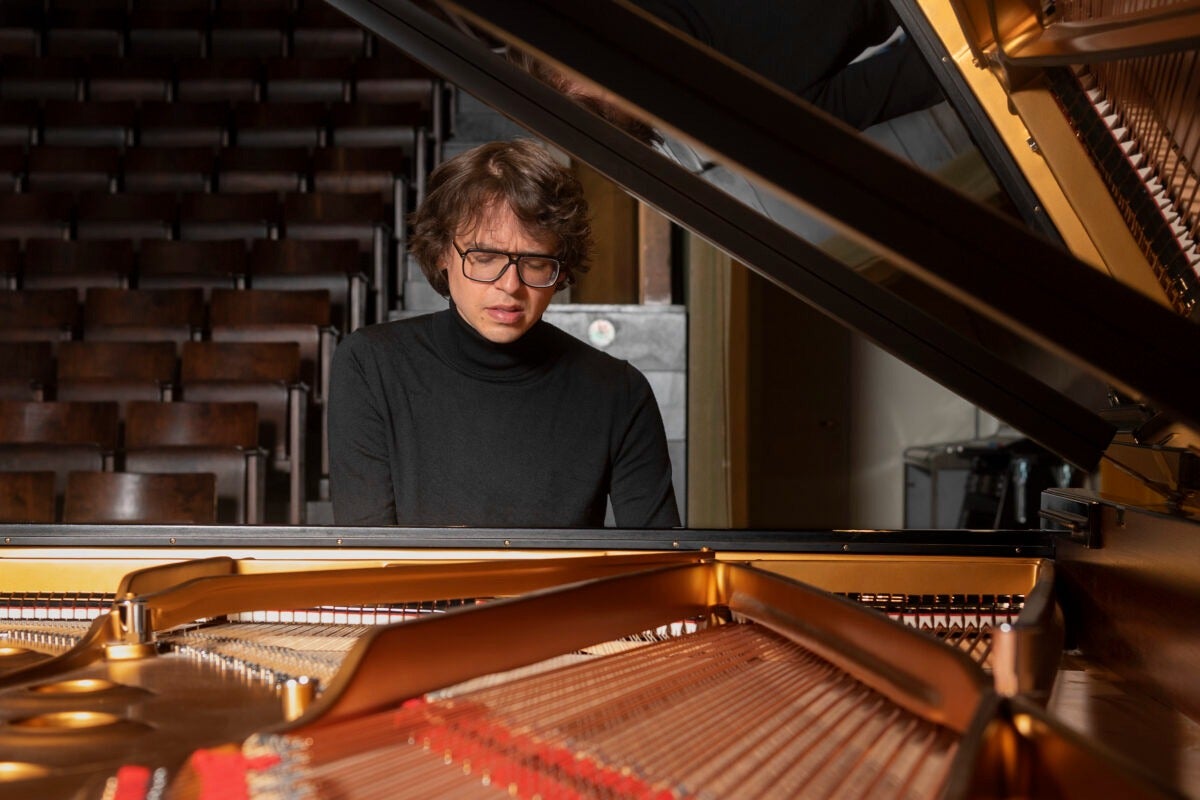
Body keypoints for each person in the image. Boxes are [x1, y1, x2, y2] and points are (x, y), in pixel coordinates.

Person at [328, 138, 681, 528]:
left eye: (534, 262)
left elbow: (660, 559)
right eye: (484, 257)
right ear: (444, 252)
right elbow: (367, 553)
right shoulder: (371, 364)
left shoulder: (620, 392)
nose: (509, 286)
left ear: (561, 269)